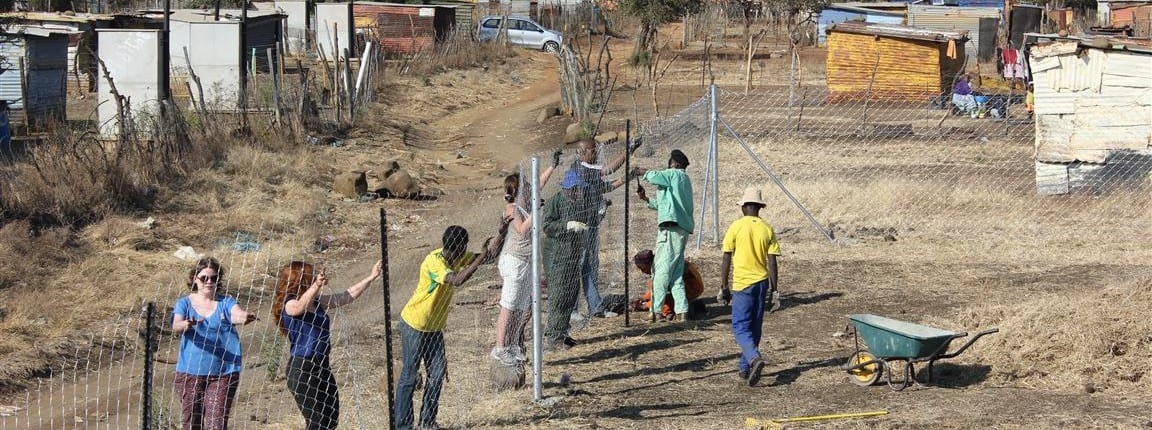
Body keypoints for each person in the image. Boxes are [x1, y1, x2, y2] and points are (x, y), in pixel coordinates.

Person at [395, 225, 499, 430]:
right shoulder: (434, 262)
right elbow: (457, 280)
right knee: (409, 376)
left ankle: (428, 421)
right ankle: (403, 425)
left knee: (437, 373)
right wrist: (482, 255)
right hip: (415, 325)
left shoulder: (457, 257)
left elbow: (488, 258)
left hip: (434, 328)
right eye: (465, 246)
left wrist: (502, 232)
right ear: (460, 246)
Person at [273, 259, 383, 430]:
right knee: (317, 423)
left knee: (330, 420)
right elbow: (299, 308)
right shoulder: (289, 303)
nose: (314, 278)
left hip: (322, 366)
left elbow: (346, 296)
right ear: (299, 280)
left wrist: (372, 277)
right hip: (303, 369)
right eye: (310, 276)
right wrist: (316, 286)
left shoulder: (317, 302)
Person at [170, 257, 258, 430]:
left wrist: (245, 317)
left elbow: (236, 314)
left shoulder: (226, 302)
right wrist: (186, 324)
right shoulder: (184, 303)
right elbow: (176, 325)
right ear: (195, 279)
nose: (209, 282)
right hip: (190, 373)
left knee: (216, 424)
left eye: (214, 278)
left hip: (223, 373)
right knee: (191, 423)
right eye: (204, 278)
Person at [491, 150, 559, 366]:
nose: (531, 187)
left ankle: (511, 344)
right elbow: (520, 229)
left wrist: (552, 166)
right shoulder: (512, 208)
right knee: (508, 307)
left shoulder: (525, 201)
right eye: (526, 185)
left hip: (525, 263)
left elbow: (538, 185)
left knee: (522, 308)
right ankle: (500, 348)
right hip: (514, 262)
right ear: (519, 190)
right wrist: (537, 212)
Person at [569, 137, 641, 319]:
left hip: (591, 224)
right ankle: (572, 310)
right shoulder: (581, 169)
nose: (596, 152)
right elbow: (608, 170)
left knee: (591, 266)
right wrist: (629, 150)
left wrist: (629, 176)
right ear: (583, 152)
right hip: (579, 227)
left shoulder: (588, 171)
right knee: (577, 267)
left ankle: (596, 307)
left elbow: (606, 186)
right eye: (593, 150)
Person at [718, 187, 781, 387]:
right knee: (755, 326)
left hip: (743, 283)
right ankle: (745, 368)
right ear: (760, 207)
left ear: (744, 206)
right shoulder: (767, 228)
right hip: (762, 283)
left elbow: (727, 256)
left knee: (740, 326)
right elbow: (772, 261)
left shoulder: (736, 227)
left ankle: (753, 358)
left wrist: (724, 286)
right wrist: (775, 289)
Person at [634, 149, 695, 322]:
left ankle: (655, 311)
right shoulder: (683, 180)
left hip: (669, 231)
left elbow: (654, 176)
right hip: (680, 231)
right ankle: (683, 312)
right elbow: (665, 205)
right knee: (675, 274)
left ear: (674, 163)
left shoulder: (674, 175)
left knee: (660, 271)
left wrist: (642, 172)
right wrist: (646, 199)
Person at [542, 169, 595, 350]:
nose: (577, 192)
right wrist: (567, 226)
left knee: (571, 294)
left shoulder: (578, 203)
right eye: (575, 189)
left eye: (579, 189)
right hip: (557, 256)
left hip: (573, 255)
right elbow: (547, 226)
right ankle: (553, 335)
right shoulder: (554, 202)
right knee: (559, 296)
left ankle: (563, 332)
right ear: (568, 188)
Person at [630, 249, 704, 319]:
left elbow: (662, 293)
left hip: (693, 287)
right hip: (687, 284)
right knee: (654, 285)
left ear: (649, 264)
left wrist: (644, 306)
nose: (642, 272)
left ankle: (673, 311)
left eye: (643, 268)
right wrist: (643, 298)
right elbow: (656, 290)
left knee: (666, 298)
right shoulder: (660, 263)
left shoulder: (663, 269)